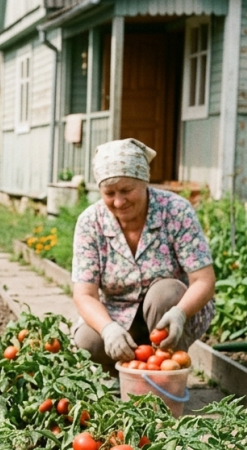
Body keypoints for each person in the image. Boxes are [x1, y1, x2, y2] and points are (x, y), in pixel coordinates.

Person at [71, 138, 215, 374]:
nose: (119, 201)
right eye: (109, 193)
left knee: (165, 293)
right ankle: (125, 372)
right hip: (118, 313)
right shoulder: (90, 222)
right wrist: (108, 329)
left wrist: (180, 313)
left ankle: (167, 373)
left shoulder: (175, 211)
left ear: (144, 182)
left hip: (170, 310)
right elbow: (84, 294)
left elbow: (204, 280)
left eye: (127, 190)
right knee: (88, 341)